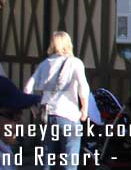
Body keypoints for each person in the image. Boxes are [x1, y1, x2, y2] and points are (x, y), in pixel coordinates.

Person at [24, 31, 90, 170]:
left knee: (48, 160)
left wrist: (35, 111)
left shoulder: (44, 64)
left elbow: (27, 90)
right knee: (70, 161)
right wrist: (84, 109)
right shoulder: (75, 62)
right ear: (68, 45)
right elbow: (83, 87)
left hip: (48, 117)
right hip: (69, 115)